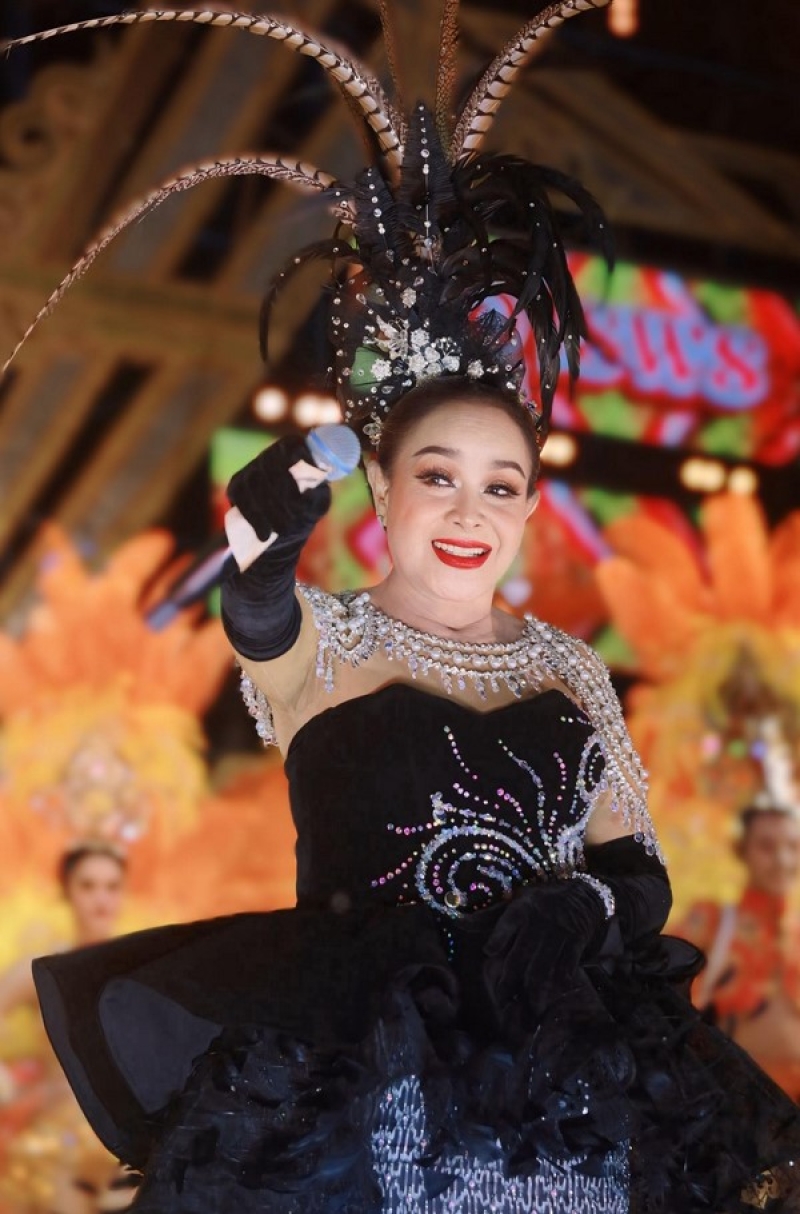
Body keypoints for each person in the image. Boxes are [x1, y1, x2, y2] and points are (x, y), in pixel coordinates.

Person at [5, 3, 800, 1212]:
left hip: (562, 1097)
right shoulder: (325, 644)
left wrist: (580, 906)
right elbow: (259, 619)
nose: (470, 509)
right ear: (380, 488)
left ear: (527, 506)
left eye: (502, 484)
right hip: (356, 1099)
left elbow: (636, 873)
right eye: (438, 475)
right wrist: (265, 552)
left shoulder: (569, 666)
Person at [0, 844, 134, 1214]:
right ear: (67, 891)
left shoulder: (144, 972)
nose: (101, 900)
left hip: (129, 1146)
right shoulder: (44, 970)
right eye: (87, 886)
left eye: (112, 887)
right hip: (58, 1143)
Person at [680, 802, 800, 1099]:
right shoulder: (711, 924)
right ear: (741, 849)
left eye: (793, 846)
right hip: (732, 1105)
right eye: (766, 846)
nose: (782, 859)